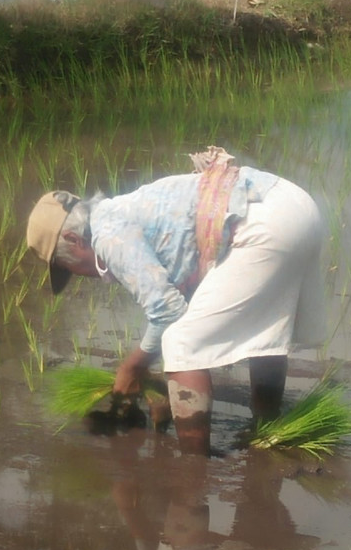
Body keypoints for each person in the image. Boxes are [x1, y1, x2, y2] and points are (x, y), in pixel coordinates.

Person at [26, 147, 325, 455]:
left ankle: (193, 470)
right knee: (264, 328)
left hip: (263, 224)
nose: (80, 276)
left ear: (75, 241)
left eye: (67, 268)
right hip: (295, 205)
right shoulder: (124, 210)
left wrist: (132, 368)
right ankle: (267, 428)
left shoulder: (107, 234)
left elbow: (168, 313)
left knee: (181, 344)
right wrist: (161, 388)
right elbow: (180, 302)